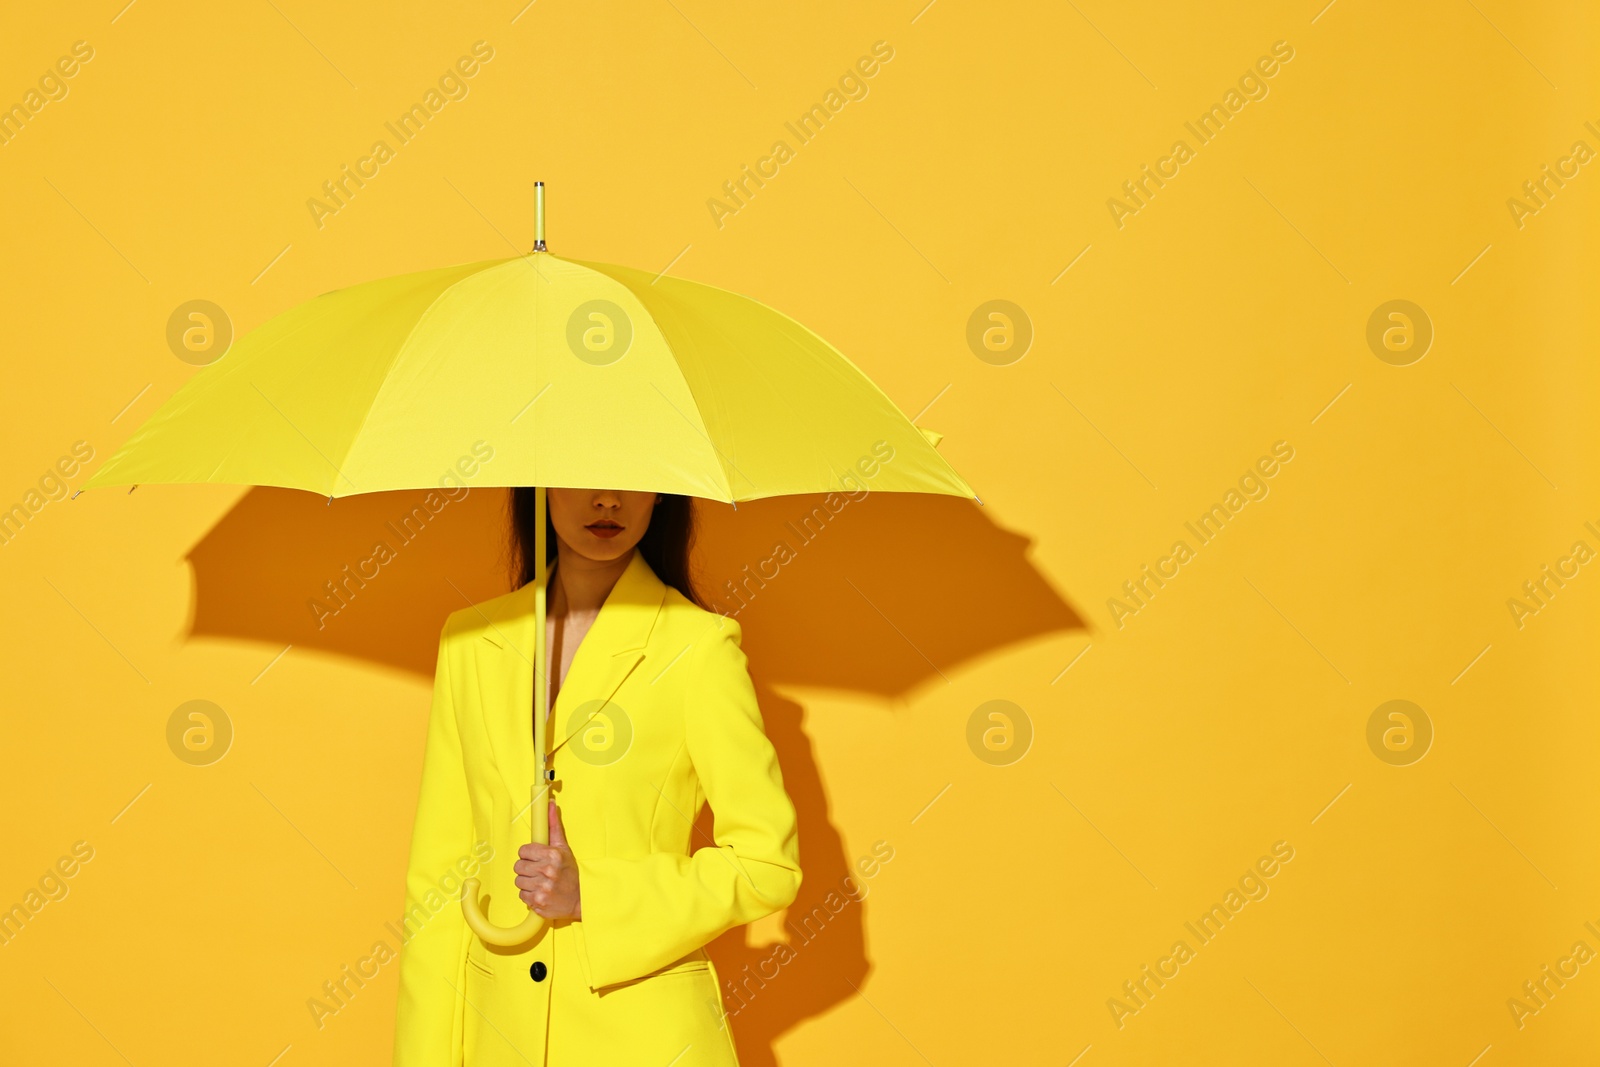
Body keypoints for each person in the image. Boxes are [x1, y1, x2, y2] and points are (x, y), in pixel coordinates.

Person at [393, 487, 801, 1066]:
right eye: (583, 472)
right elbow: (436, 884)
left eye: (630, 476)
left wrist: (594, 895)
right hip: (497, 1039)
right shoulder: (470, 642)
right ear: (539, 485)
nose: (607, 499)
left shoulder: (699, 649)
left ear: (661, 495)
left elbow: (767, 865)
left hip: (645, 1042)